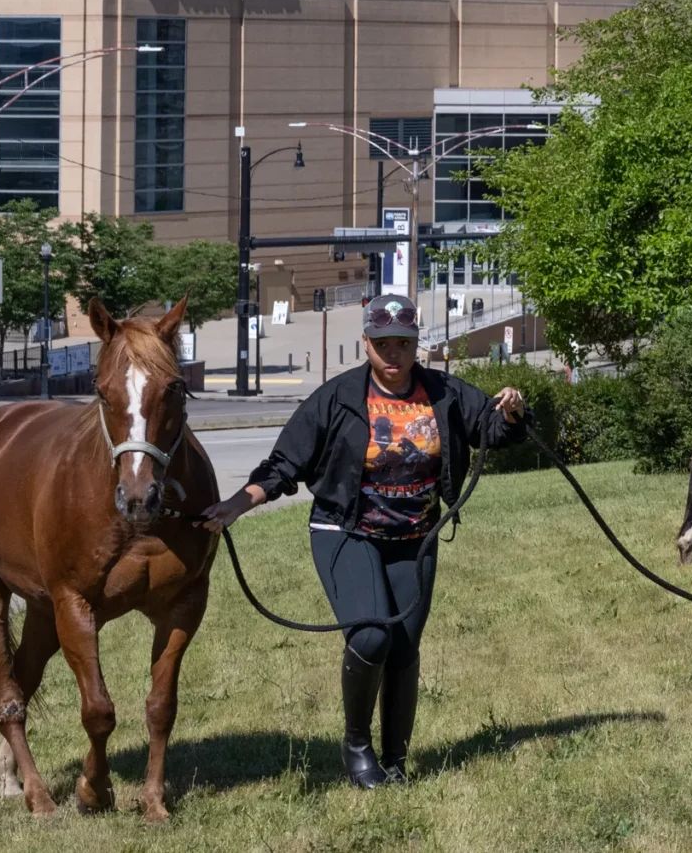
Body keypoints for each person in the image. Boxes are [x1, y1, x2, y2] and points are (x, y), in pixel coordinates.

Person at [200, 293, 525, 788]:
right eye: (382, 344)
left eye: (404, 343)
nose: (393, 354)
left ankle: (395, 761)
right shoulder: (338, 398)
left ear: (417, 343)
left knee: (404, 648)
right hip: (345, 531)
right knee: (372, 636)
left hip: (415, 538)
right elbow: (284, 465)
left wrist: (513, 410)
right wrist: (236, 505)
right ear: (366, 343)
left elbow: (493, 430)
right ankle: (358, 750)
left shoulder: (443, 393)